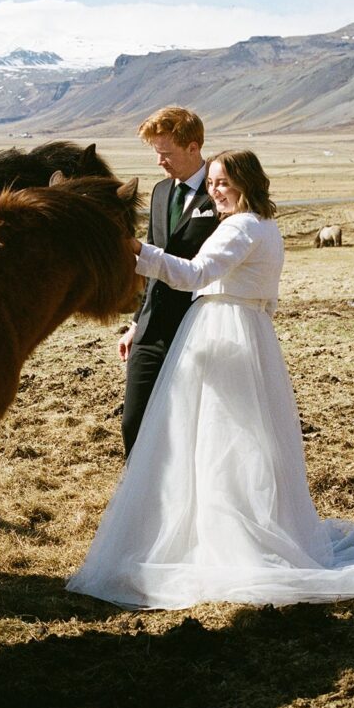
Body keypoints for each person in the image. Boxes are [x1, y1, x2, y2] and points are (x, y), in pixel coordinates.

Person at [68, 150, 354, 609]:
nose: (215, 190)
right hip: (245, 331)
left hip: (224, 333)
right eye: (212, 184)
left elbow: (194, 274)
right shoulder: (264, 226)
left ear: (247, 182)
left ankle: (222, 536)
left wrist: (136, 251)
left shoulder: (241, 227)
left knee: (220, 434)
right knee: (232, 435)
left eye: (223, 183)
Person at [118, 107, 218, 456]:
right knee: (134, 423)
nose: (160, 162)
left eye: (166, 153)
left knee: (188, 427)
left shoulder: (219, 195)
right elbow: (150, 263)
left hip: (198, 328)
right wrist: (134, 323)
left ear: (194, 147)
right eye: (156, 153)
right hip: (151, 328)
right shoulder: (160, 192)